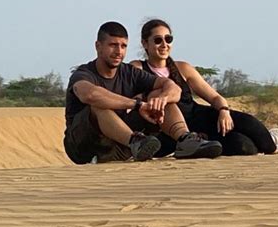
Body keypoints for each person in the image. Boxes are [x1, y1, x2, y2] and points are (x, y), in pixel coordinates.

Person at [130, 18, 278, 156]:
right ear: (145, 44)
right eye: (158, 40)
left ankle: (276, 148)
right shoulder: (138, 68)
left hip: (197, 116)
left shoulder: (183, 68)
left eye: (168, 39)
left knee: (248, 122)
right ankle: (265, 140)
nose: (164, 44)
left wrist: (223, 110)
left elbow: (214, 97)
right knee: (243, 146)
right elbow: (134, 98)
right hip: (173, 130)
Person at [64, 21, 223, 164]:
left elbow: (172, 87)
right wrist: (137, 104)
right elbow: (90, 95)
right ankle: (136, 142)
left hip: (117, 145)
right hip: (83, 146)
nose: (119, 51)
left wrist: (161, 99)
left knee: (156, 95)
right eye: (113, 45)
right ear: (98, 46)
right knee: (98, 105)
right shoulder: (83, 74)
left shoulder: (129, 72)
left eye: (123, 46)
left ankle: (185, 140)